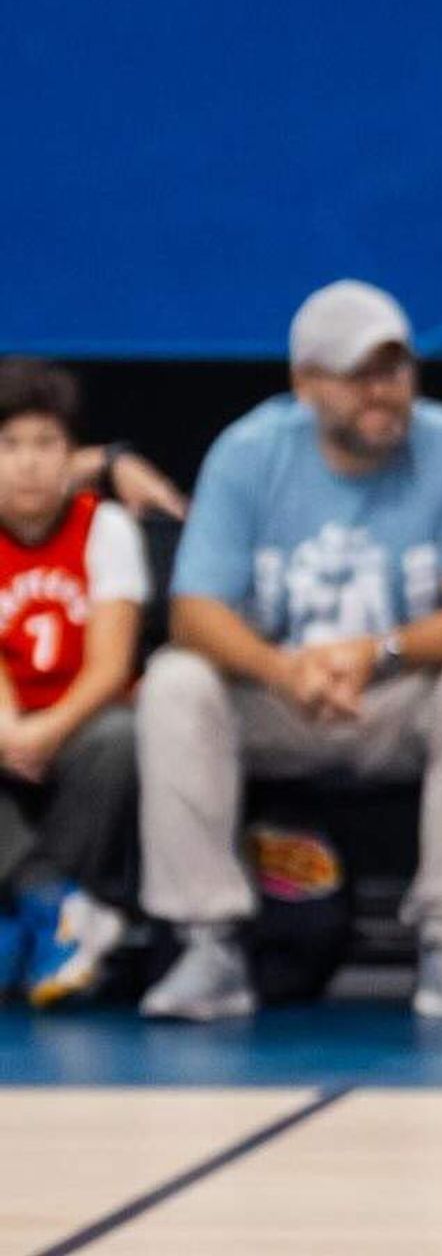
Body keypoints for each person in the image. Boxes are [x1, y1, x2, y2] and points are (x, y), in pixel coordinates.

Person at [136, 280, 442, 1023]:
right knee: (174, 679)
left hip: (396, 700)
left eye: (395, 370)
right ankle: (205, 942)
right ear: (305, 383)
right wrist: (282, 669)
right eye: (359, 375)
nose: (384, 392)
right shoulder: (248, 452)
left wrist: (376, 652)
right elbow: (193, 611)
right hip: (278, 697)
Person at [0, 359, 143, 1008]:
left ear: (72, 456)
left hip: (80, 727)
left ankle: (36, 916)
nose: (28, 463)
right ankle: (54, 909)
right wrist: (8, 730)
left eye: (45, 445)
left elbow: (111, 664)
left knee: (122, 734)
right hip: (7, 724)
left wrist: (45, 730)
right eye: (10, 446)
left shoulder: (104, 527)